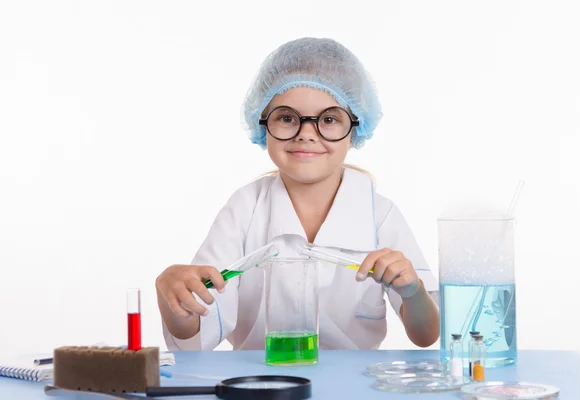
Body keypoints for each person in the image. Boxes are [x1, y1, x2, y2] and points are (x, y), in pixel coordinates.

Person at [156, 37, 440, 351]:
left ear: (355, 129)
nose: (306, 133)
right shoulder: (245, 209)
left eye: (329, 119)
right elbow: (195, 335)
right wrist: (173, 295)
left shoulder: (379, 214)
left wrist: (413, 292)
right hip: (263, 384)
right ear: (262, 125)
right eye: (287, 118)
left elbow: (426, 334)